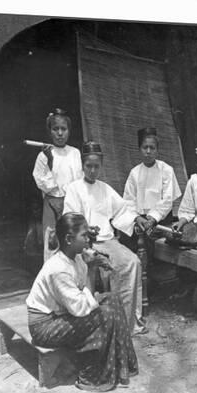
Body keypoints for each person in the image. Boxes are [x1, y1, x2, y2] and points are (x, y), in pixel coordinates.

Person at [27, 212, 138, 391]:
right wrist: (92, 269)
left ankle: (121, 366)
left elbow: (84, 294)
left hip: (62, 314)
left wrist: (95, 264)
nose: (88, 240)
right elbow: (80, 308)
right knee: (106, 313)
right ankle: (94, 376)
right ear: (70, 239)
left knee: (113, 299)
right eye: (84, 235)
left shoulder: (76, 258)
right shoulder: (58, 269)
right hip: (44, 326)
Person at [63, 141, 147, 335]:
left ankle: (127, 322)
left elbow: (122, 210)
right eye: (88, 166)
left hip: (107, 241)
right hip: (84, 243)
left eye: (96, 166)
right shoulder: (74, 189)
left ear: (101, 166)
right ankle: (105, 322)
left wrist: (136, 218)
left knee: (132, 262)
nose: (92, 171)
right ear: (82, 166)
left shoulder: (105, 188)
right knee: (98, 264)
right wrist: (84, 230)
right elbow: (70, 220)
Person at [32, 108, 83, 260]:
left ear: (69, 131)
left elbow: (79, 180)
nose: (60, 133)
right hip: (52, 205)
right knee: (52, 243)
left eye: (63, 129)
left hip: (70, 203)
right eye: (56, 129)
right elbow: (44, 184)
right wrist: (50, 162)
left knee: (72, 242)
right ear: (50, 131)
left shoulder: (74, 153)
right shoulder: (43, 155)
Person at [123, 127, 182, 238]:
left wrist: (153, 218)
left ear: (157, 150)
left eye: (152, 148)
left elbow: (168, 200)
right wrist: (137, 218)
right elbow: (129, 201)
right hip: (140, 220)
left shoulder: (166, 170)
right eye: (145, 147)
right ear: (140, 149)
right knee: (127, 236)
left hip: (161, 220)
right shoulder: (134, 173)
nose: (148, 152)